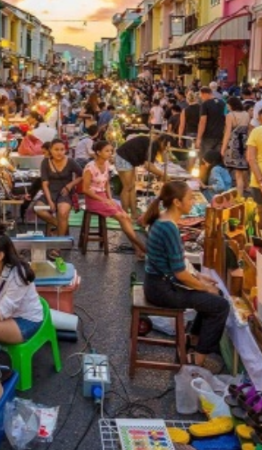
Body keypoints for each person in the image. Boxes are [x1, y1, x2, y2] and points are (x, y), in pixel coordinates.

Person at [140, 181, 229, 368]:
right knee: (220, 305)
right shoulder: (168, 227)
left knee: (214, 296)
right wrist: (204, 287)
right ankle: (197, 359)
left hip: (156, 284)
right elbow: (180, 274)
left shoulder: (164, 220)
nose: (193, 202)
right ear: (177, 202)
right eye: (190, 198)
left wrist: (200, 277)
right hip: (162, 290)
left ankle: (194, 340)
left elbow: (179, 264)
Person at [81, 140, 146, 257]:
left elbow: (106, 183)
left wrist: (109, 198)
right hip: (93, 199)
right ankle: (140, 248)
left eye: (111, 151)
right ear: (98, 152)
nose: (110, 153)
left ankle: (138, 248)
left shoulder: (106, 164)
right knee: (122, 217)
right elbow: (85, 189)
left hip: (103, 197)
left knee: (126, 217)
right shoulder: (89, 168)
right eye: (107, 151)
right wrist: (102, 200)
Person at [37, 138, 84, 237]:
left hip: (65, 193)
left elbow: (82, 175)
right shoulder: (45, 162)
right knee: (38, 209)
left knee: (62, 212)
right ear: (50, 150)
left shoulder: (70, 161)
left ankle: (58, 246)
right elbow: (44, 184)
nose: (59, 152)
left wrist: (70, 185)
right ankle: (60, 226)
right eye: (56, 149)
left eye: (62, 150)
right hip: (50, 192)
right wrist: (49, 201)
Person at [115, 134, 166, 219]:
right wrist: (162, 174)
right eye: (165, 146)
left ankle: (133, 213)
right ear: (163, 142)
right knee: (127, 187)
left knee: (132, 187)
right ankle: (124, 214)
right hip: (123, 158)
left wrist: (160, 173)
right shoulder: (152, 145)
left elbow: (150, 165)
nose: (166, 149)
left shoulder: (151, 144)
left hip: (128, 160)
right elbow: (148, 165)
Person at [221, 96, 251, 196]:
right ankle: (240, 196)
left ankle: (228, 193)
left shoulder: (230, 115)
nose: (228, 107)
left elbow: (227, 133)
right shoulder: (246, 114)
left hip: (233, 143)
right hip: (244, 142)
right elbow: (249, 129)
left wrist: (223, 148)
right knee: (240, 173)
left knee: (229, 170)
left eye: (228, 105)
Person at [196, 86, 226, 158]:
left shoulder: (205, 104)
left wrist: (199, 138)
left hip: (208, 136)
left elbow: (203, 121)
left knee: (206, 159)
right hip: (220, 135)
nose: (201, 98)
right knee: (217, 159)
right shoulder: (222, 103)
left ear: (205, 94)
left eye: (201, 96)